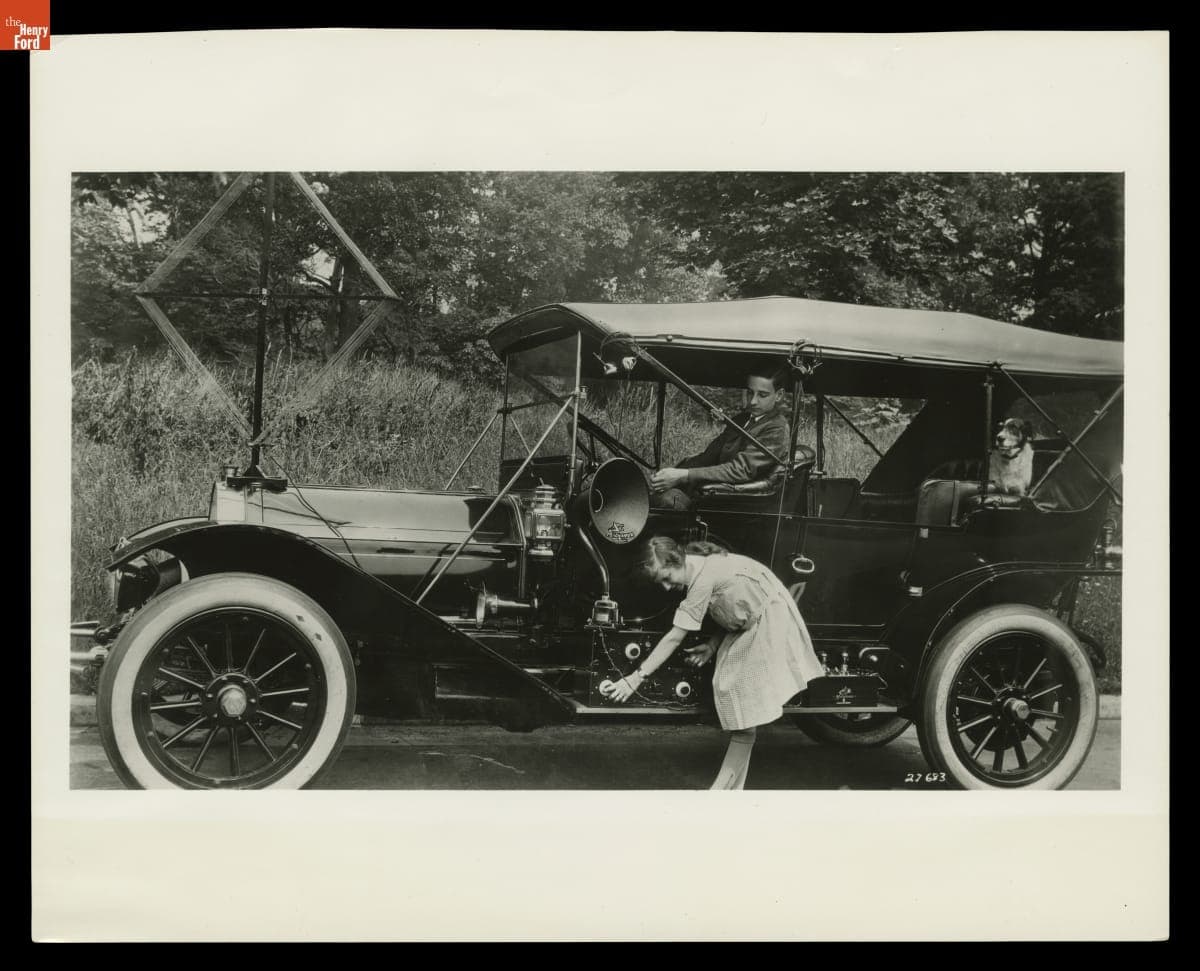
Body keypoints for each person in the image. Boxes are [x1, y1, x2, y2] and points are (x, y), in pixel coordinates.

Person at [600, 536, 825, 789]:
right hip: (752, 622)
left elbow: (675, 637)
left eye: (666, 577)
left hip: (769, 622)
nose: (665, 587)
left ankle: (718, 793)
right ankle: (731, 791)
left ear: (677, 560)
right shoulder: (701, 564)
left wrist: (635, 678)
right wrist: (713, 645)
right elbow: (736, 605)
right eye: (659, 581)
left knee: (739, 706)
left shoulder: (702, 580)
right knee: (738, 709)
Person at [649, 364, 793, 510]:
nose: (753, 401)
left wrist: (684, 475)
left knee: (667, 503)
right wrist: (669, 476)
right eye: (750, 393)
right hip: (715, 493)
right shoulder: (742, 419)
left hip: (737, 503)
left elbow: (740, 470)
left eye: (762, 395)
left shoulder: (777, 428)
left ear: (779, 395)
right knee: (653, 498)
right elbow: (709, 456)